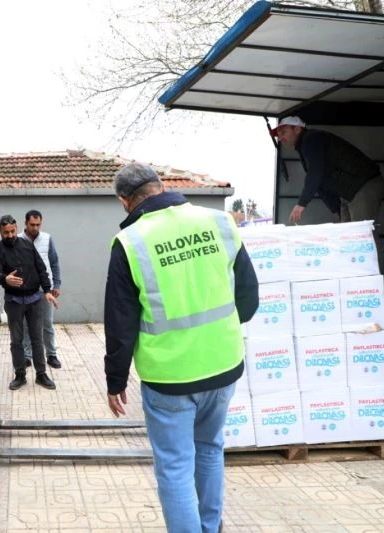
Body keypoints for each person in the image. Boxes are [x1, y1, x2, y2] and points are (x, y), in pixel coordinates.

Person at [104, 163, 259, 533]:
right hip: (223, 366)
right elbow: (249, 299)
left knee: (174, 465)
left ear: (125, 202)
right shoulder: (219, 222)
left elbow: (120, 323)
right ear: (161, 185)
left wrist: (115, 381)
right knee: (209, 449)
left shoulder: (130, 242)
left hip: (169, 377)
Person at [272, 116, 384, 226]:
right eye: (279, 135)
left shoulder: (311, 139)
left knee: (362, 236)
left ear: (297, 129)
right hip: (349, 192)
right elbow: (320, 182)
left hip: (364, 185)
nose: (280, 138)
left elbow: (315, 173)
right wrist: (335, 208)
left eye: (283, 133)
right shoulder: (304, 147)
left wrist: (301, 203)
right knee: (349, 236)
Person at [0, 214, 59, 391]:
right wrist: (5, 279)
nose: (10, 235)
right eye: (6, 233)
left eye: (13, 231)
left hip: (34, 300)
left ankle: (41, 375)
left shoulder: (27, 245)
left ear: (16, 228)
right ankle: (20, 375)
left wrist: (48, 291)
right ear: (0, 231)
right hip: (13, 301)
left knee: (37, 338)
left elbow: (41, 268)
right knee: (16, 340)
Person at [19, 210, 62, 369]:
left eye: (38, 225)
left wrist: (56, 284)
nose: (35, 228)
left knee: (47, 324)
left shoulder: (47, 239)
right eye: (32, 225)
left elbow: (54, 262)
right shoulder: (17, 240)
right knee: (26, 325)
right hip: (26, 290)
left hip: (46, 290)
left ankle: (51, 355)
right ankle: (27, 356)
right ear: (26, 223)